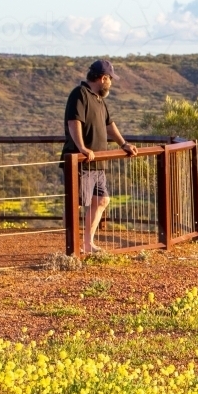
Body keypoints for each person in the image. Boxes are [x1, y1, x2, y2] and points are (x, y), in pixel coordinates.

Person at [62, 59, 139, 254]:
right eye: (110, 79)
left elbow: (108, 125)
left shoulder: (99, 99)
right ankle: (73, 247)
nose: (111, 83)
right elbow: (74, 122)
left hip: (98, 163)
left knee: (102, 200)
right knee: (76, 205)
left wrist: (124, 144)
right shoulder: (79, 94)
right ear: (103, 78)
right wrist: (82, 147)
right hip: (80, 163)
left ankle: (88, 244)